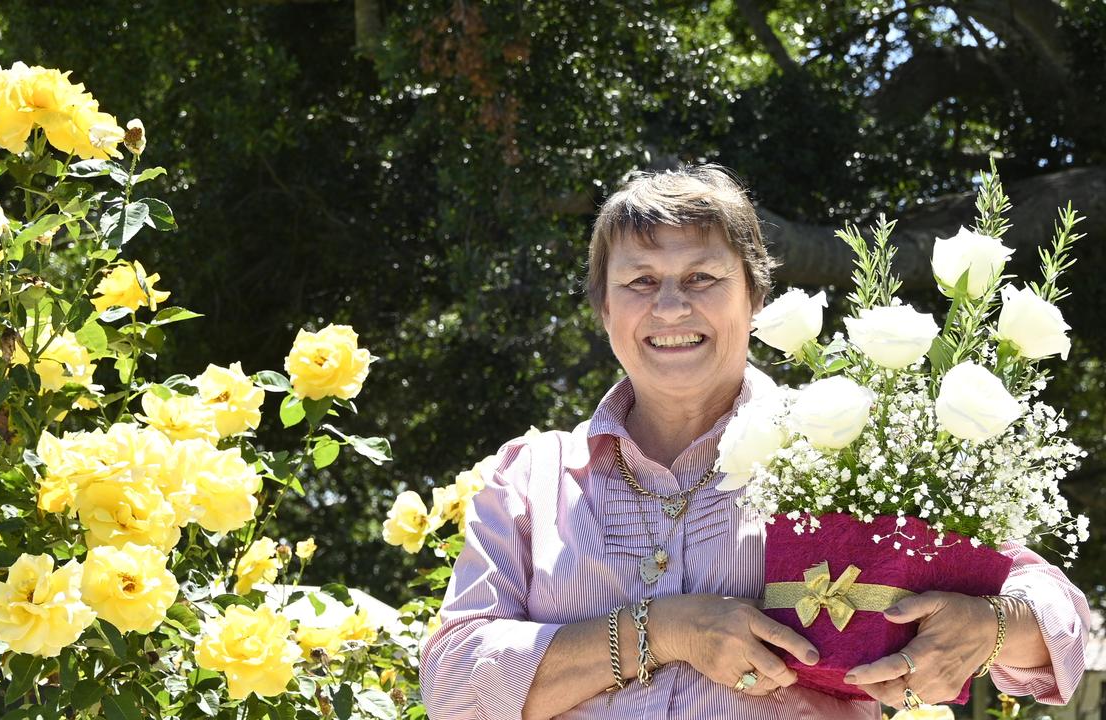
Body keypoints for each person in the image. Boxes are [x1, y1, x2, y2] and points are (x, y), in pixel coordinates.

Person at [419, 165, 1091, 719]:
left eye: (702, 279)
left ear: (757, 296)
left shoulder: (848, 441)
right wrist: (669, 630)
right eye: (640, 282)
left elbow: (1055, 609)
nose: (671, 306)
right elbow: (450, 685)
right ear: (603, 309)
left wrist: (991, 628)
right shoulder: (530, 479)